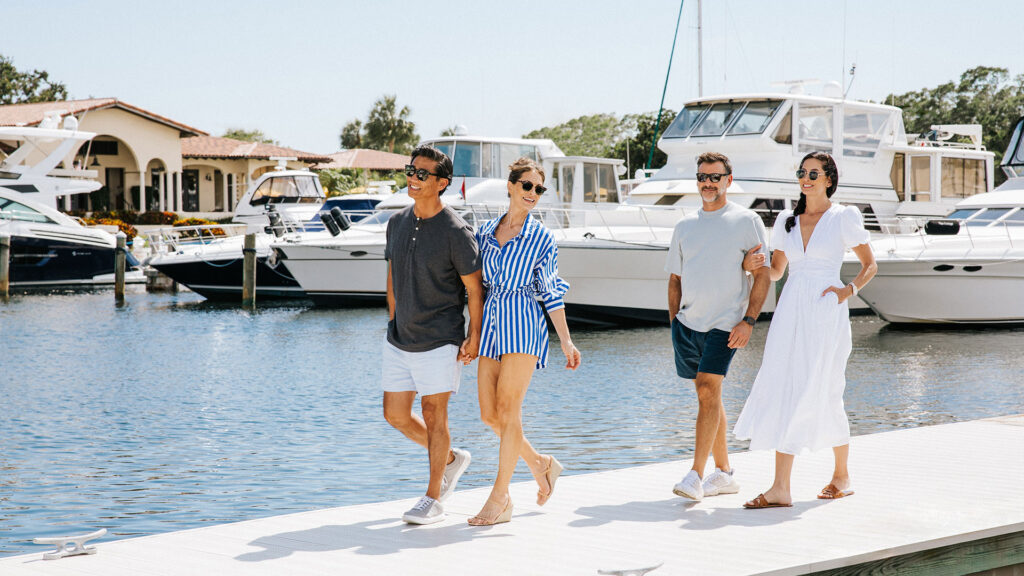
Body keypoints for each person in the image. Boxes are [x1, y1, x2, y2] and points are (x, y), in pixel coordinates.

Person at [733, 152, 877, 508]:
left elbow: (870, 265)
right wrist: (754, 267)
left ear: (829, 179)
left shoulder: (843, 217)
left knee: (825, 387)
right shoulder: (787, 220)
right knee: (784, 384)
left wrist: (848, 291)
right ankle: (781, 488)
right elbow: (778, 272)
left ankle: (841, 476)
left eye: (814, 173)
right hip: (790, 310)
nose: (806, 178)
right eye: (802, 172)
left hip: (826, 310)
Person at [468, 157, 582, 526]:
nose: (533, 193)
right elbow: (474, 286)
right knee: (489, 414)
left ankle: (500, 498)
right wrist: (470, 333)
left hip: (523, 325)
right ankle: (540, 464)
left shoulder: (542, 238)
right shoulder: (485, 232)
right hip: (491, 325)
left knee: (509, 410)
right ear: (511, 186)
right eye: (527, 185)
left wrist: (566, 341)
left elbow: (551, 292)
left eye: (539, 188)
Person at [382, 145, 485, 525]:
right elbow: (392, 278)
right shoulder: (396, 222)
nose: (413, 178)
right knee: (394, 414)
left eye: (422, 174)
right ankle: (451, 459)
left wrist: (474, 335)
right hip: (399, 337)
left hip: (441, 337)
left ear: (442, 183)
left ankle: (433, 498)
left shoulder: (456, 231)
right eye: (411, 170)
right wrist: (394, 318)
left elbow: (474, 289)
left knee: (433, 413)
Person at [666, 151, 771, 502]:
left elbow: (763, 275)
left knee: (708, 390)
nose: (708, 183)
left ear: (728, 180)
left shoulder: (746, 220)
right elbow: (675, 279)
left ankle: (695, 475)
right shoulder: (684, 226)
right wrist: (674, 323)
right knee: (708, 394)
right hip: (687, 323)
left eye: (715, 177)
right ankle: (724, 473)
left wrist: (749, 321)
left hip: (726, 323)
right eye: (702, 177)